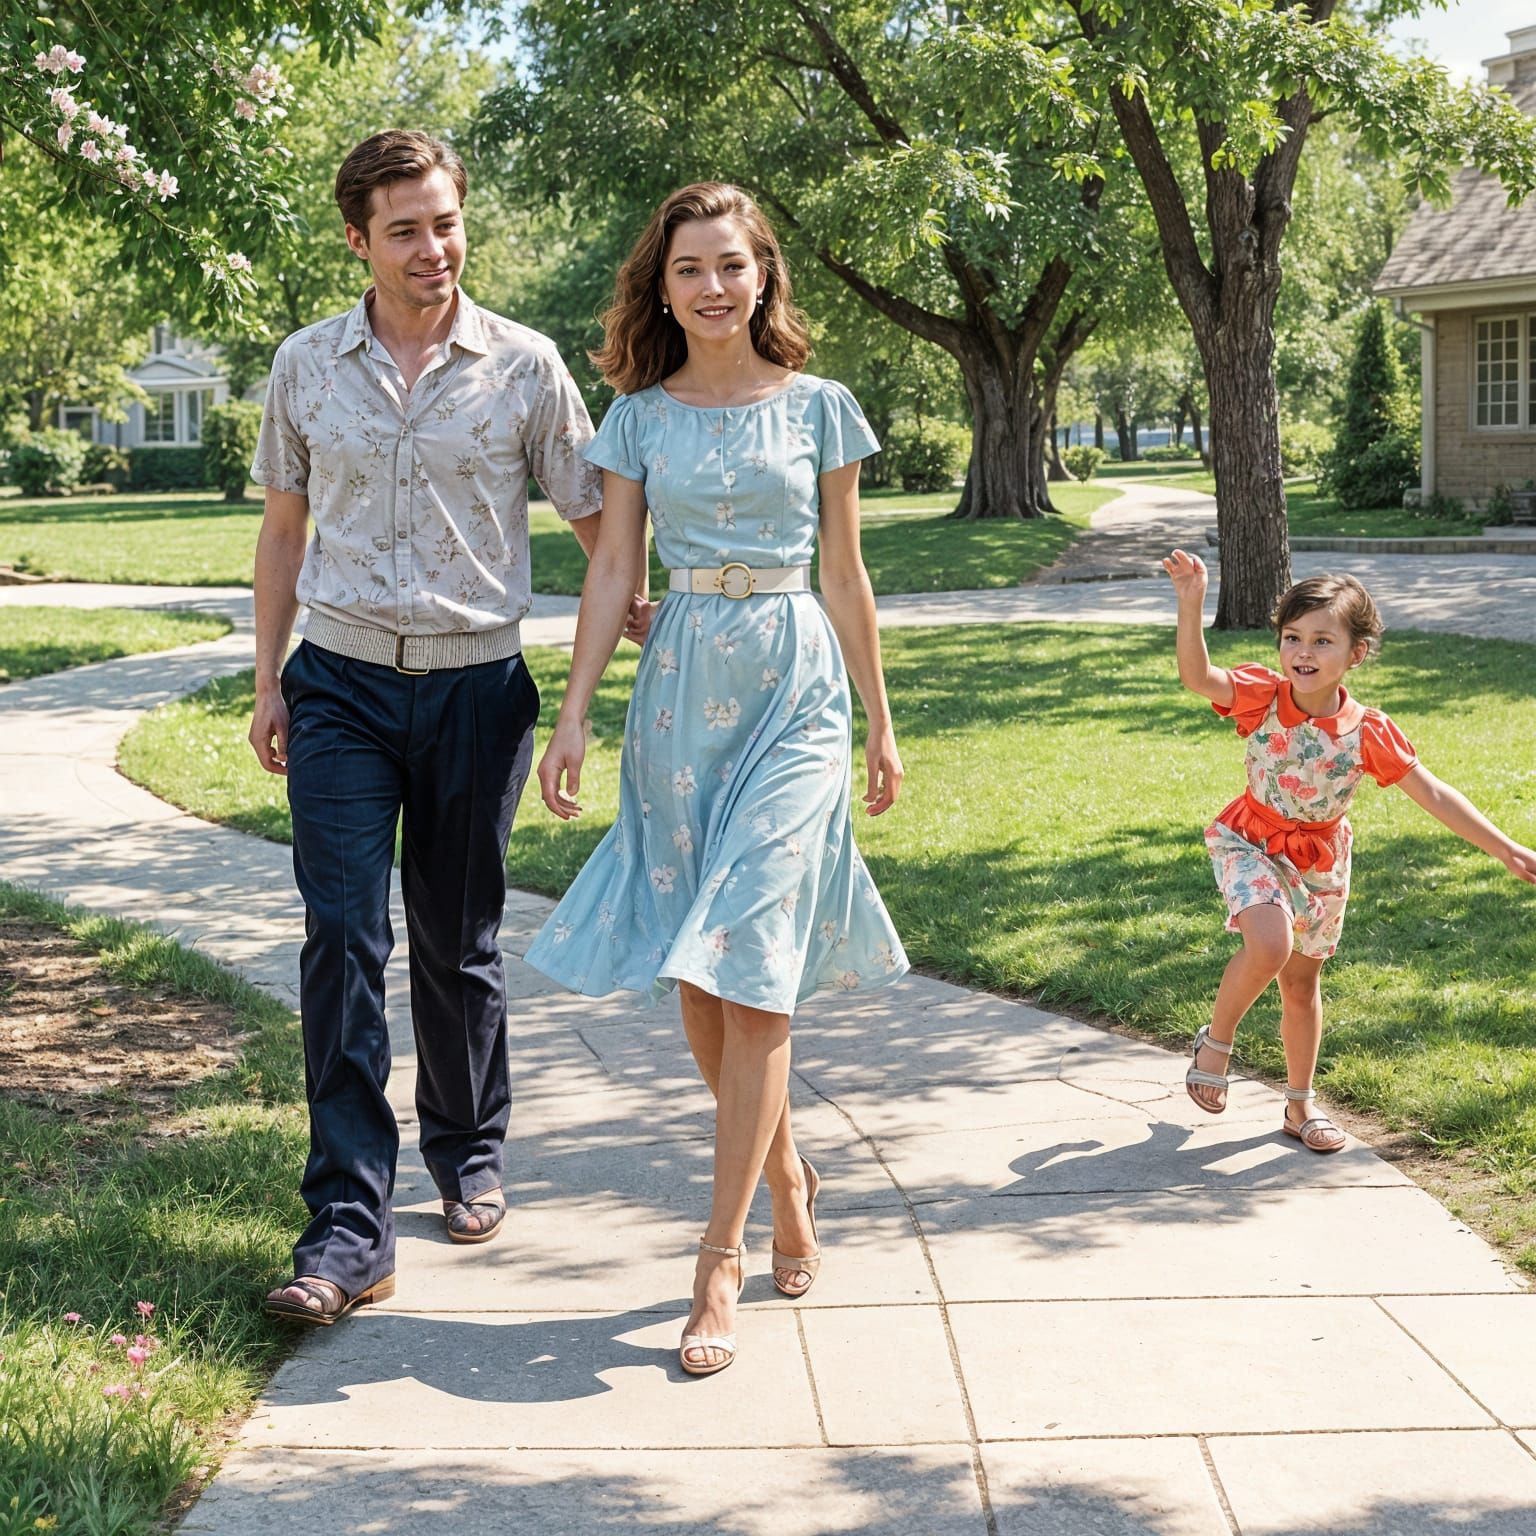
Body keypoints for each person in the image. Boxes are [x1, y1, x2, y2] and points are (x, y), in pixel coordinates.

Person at [522, 183, 909, 1376]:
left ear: (764, 275)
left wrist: (881, 726)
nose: (713, 287)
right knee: (700, 970)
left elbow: (845, 576)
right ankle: (787, 1169)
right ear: (665, 286)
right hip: (681, 689)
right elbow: (608, 576)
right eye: (690, 269)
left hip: (796, 685)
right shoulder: (637, 421)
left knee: (754, 956)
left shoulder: (823, 409)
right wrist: (576, 711)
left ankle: (717, 1256)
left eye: (732, 265)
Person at [247, 130, 633, 1324]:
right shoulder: (306, 366)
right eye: (406, 228)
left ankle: (469, 1148)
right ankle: (350, 1223)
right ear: (358, 239)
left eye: (447, 223)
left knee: (458, 941)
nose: (434, 248)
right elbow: (282, 533)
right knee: (342, 941)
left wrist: (655, 626)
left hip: (478, 688)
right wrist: (270, 682)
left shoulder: (524, 366)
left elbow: (594, 522)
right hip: (343, 687)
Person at [1164, 550, 1535, 1150]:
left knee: (1301, 986)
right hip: (1251, 840)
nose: (1303, 652)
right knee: (1269, 942)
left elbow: (1434, 793)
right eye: (1292, 637)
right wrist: (1191, 602)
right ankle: (1216, 1042)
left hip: (1322, 863)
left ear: (1356, 653)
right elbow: (1197, 678)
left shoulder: (1369, 730)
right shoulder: (1261, 695)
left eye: (1321, 640)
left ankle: (1300, 1106)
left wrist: (1506, 848)